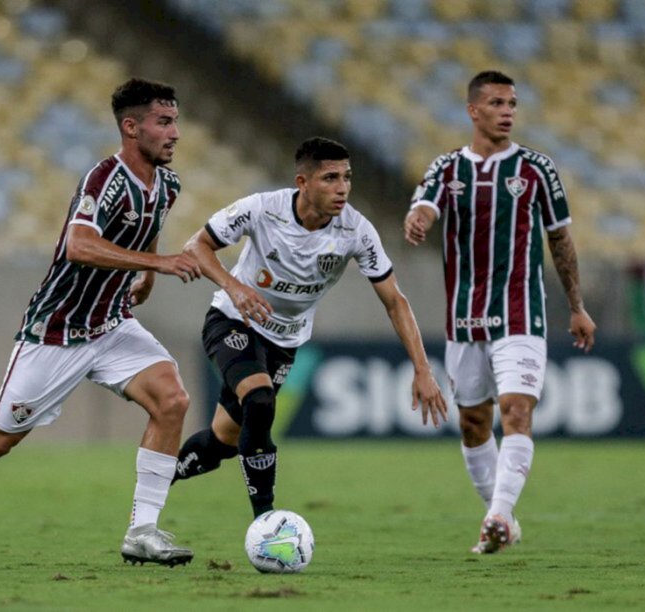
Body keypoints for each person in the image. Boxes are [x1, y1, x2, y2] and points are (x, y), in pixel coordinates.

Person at [0, 78, 204, 571]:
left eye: (175, 120)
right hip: (57, 331)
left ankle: (142, 531)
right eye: (164, 122)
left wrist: (147, 277)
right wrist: (158, 265)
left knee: (173, 399)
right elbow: (78, 245)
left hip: (111, 324)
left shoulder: (168, 184)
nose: (175, 132)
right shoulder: (105, 180)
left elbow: (149, 228)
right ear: (131, 127)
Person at [170, 136, 448, 518]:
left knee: (224, 440)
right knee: (260, 399)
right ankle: (266, 520)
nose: (343, 188)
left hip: (285, 340)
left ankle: (160, 478)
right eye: (330, 178)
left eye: (347, 178)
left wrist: (422, 368)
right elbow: (196, 247)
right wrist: (234, 288)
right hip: (235, 320)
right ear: (303, 183)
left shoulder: (357, 231)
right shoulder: (262, 209)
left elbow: (395, 301)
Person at [404, 70, 597, 554]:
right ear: (473, 110)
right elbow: (425, 205)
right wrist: (418, 219)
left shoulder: (537, 170)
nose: (507, 111)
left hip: (520, 312)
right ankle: (502, 519)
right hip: (464, 318)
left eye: (512, 103)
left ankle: (496, 517)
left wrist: (576, 306)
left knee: (515, 411)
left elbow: (560, 239)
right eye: (496, 103)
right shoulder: (447, 168)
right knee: (473, 423)